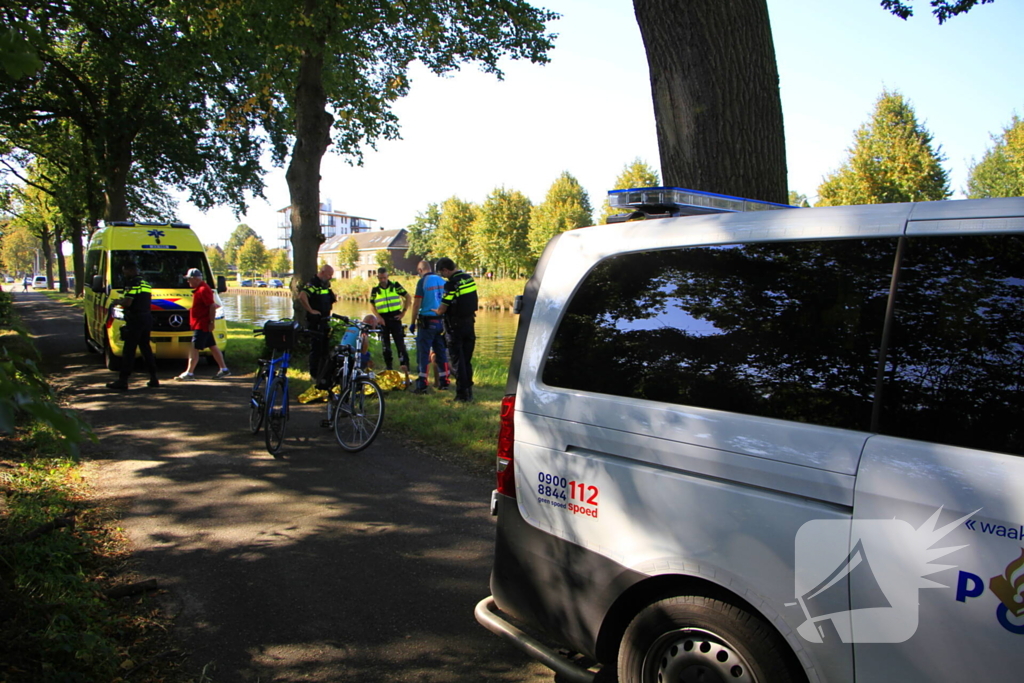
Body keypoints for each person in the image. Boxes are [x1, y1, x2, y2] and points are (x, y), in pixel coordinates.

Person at [106, 262, 159, 391]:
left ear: (130, 270)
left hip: (135, 319)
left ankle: (123, 381)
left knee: (129, 350)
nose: (124, 273)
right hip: (146, 318)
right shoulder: (145, 283)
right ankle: (154, 378)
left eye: (125, 270)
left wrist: (118, 302)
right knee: (146, 349)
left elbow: (128, 302)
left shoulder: (132, 283)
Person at [435, 257, 478, 402]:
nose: (443, 276)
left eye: (442, 273)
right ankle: (469, 392)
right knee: (466, 360)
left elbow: (443, 308)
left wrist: (436, 311)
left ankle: (462, 395)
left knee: (455, 360)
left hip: (455, 326)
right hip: (469, 323)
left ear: (446, 270)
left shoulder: (451, 284)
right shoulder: (468, 278)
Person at [175, 268, 230, 381]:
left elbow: (211, 306)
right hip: (201, 324)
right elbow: (212, 305)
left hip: (202, 324)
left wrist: (211, 322)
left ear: (195, 279)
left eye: (189, 279)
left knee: (194, 348)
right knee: (213, 346)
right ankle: (224, 369)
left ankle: (189, 373)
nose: (188, 282)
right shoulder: (201, 289)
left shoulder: (203, 290)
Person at [410, 260, 449, 394]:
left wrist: (412, 322)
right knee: (441, 352)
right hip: (441, 321)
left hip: (427, 322)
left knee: (424, 353)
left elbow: (416, 304)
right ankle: (444, 381)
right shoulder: (442, 280)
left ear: (420, 270)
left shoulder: (423, 282)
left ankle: (422, 384)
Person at [298, 264, 337, 380]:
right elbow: (302, 296)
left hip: (325, 320)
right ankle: (314, 374)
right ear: (323, 272)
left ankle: (324, 373)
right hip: (315, 322)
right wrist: (310, 310)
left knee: (324, 348)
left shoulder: (324, 285)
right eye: (329, 275)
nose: (330, 277)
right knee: (316, 348)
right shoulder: (313, 284)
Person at [369, 267, 411, 372]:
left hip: (395, 317)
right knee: (385, 345)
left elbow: (408, 297)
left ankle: (405, 366)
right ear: (377, 277)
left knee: (400, 344)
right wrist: (378, 317)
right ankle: (389, 367)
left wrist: (403, 312)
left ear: (388, 276)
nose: (383, 280)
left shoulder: (395, 286)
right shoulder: (375, 290)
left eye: (384, 278)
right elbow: (371, 304)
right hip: (383, 319)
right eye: (380, 278)